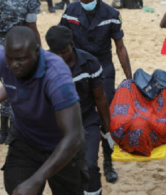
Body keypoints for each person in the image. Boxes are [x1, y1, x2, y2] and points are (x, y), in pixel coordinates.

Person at [0, 26, 88, 195]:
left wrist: (36, 180)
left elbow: (74, 136)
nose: (14, 65)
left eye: (20, 59)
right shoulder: (6, 60)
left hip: (62, 146)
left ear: (37, 51)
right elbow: (13, 84)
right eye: (10, 60)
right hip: (25, 141)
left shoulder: (56, 75)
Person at [59, 0, 132, 183]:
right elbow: (60, 39)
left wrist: (129, 79)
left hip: (103, 69)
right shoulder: (71, 11)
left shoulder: (111, 14)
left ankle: (108, 161)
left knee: (106, 115)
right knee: (77, 112)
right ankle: (78, 156)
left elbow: (120, 47)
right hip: (76, 68)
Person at [45, 25, 115, 195]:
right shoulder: (44, 66)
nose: (60, 57)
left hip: (87, 120)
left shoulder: (90, 63)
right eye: (56, 53)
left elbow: (100, 99)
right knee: (61, 170)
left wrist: (108, 130)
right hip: (57, 125)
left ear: (72, 44)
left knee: (90, 165)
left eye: (64, 52)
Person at [0, 0, 41, 144]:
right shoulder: (29, 1)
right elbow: (32, 27)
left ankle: (3, 129)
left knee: (7, 85)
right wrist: (39, 50)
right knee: (15, 86)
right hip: (21, 48)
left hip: (2, 46)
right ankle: (11, 130)